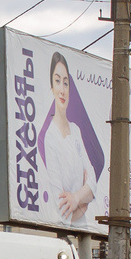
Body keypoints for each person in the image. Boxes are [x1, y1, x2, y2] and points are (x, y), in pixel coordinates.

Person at [38, 52, 103, 230]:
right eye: (58, 81)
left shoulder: (76, 130)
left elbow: (93, 182)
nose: (62, 89)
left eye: (66, 82)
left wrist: (75, 198)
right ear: (51, 87)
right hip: (65, 233)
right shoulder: (49, 137)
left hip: (85, 226)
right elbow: (62, 209)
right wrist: (83, 198)